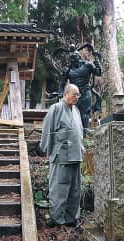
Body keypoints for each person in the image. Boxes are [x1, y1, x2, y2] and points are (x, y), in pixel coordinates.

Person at [39, 83, 85, 227]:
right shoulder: (56, 108)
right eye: (74, 94)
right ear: (65, 94)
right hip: (61, 155)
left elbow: (79, 131)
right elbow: (47, 130)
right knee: (59, 189)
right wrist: (44, 149)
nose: (76, 97)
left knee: (74, 189)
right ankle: (57, 219)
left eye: (78, 94)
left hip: (76, 155)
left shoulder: (76, 110)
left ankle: (71, 219)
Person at [58, 46, 101, 133]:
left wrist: (97, 63)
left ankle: (85, 130)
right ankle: (75, 131)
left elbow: (98, 73)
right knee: (74, 113)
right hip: (73, 94)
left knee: (85, 112)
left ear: (79, 56)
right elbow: (62, 83)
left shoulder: (87, 65)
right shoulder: (68, 70)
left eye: (75, 58)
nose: (73, 61)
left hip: (86, 91)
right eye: (71, 59)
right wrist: (61, 93)